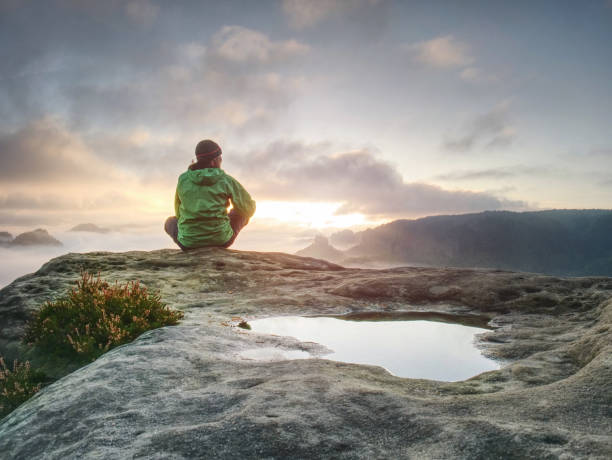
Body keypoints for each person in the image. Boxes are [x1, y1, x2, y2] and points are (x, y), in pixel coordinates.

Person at [164, 139, 255, 250]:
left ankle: (192, 238)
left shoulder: (183, 180)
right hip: (221, 240)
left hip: (188, 243)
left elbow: (178, 213)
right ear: (213, 161)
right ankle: (217, 234)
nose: (221, 160)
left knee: (170, 222)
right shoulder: (225, 180)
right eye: (220, 158)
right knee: (241, 212)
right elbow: (249, 208)